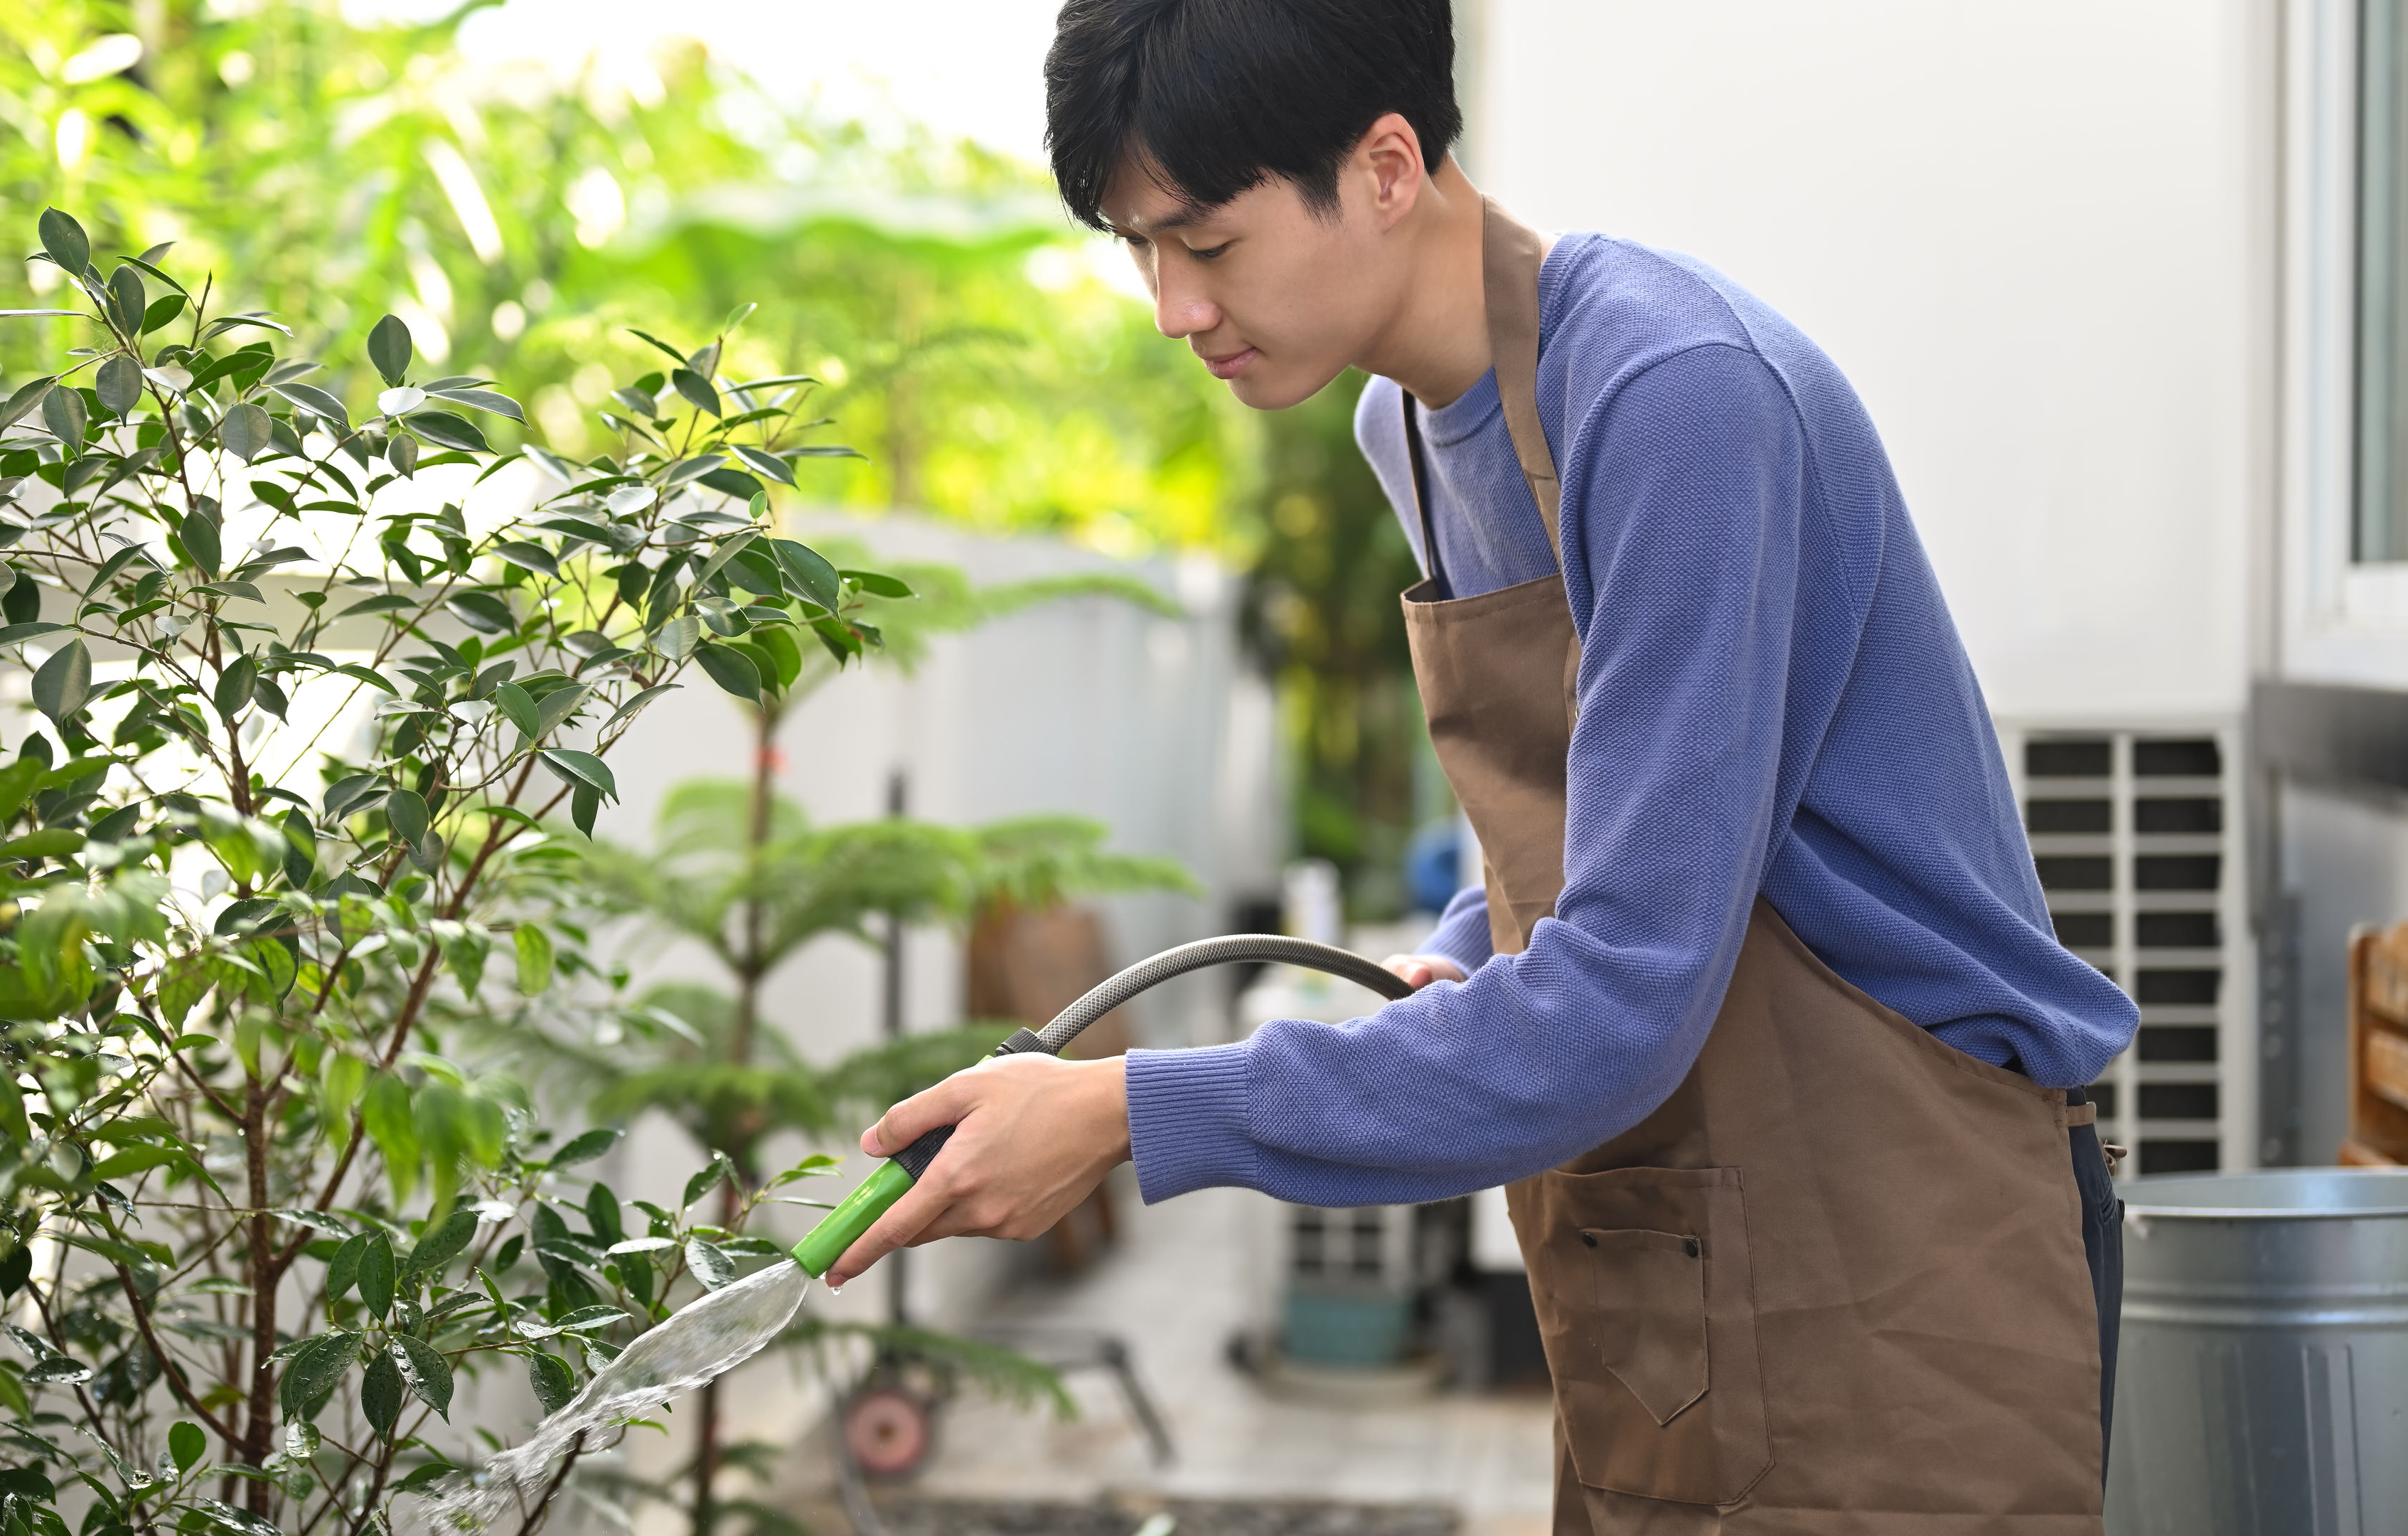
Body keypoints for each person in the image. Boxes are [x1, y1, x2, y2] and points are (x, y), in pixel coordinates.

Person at [823, 1, 2137, 1526]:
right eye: (1140, 250)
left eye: (1209, 243)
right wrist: (1462, 953)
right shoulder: (1414, 423)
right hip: (1672, 1233)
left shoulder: (1673, 397)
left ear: (1386, 167)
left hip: (1899, 1234)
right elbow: (1577, 817)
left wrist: (1128, 1112)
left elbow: (1629, 989)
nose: (1173, 309)